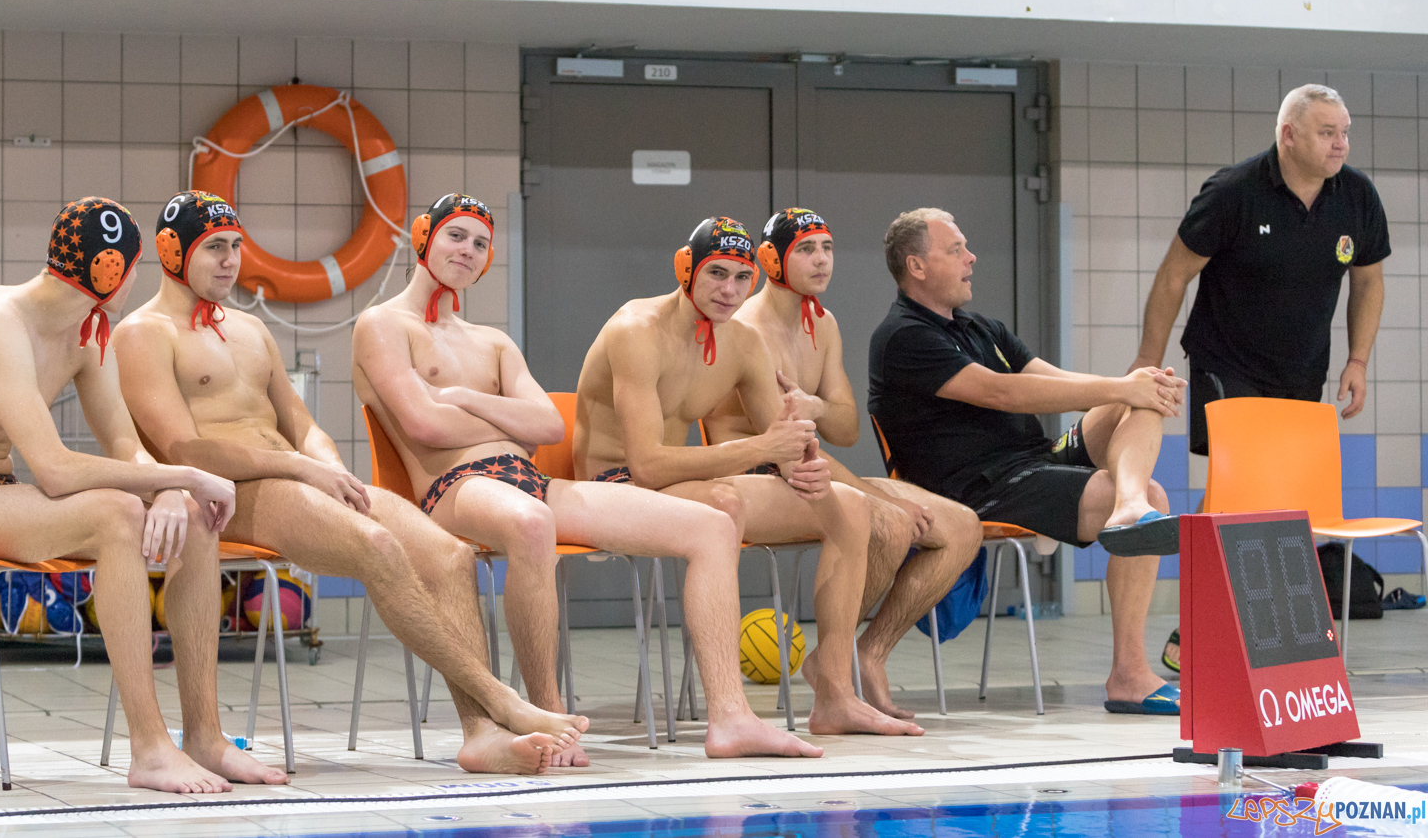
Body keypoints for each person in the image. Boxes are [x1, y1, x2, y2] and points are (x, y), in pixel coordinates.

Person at [112, 191, 587, 776]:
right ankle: (502, 700)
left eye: (236, 246)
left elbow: (301, 425)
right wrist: (299, 468)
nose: (231, 260)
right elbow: (184, 448)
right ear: (172, 251)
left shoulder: (251, 330)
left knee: (450, 556)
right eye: (215, 248)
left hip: (297, 480)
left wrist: (329, 468)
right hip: (228, 493)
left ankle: (481, 734)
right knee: (378, 546)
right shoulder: (144, 332)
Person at [351, 194, 820, 761]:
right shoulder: (382, 324)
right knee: (531, 523)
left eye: (480, 243)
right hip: (454, 486)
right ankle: (547, 711)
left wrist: (462, 397)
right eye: (456, 236)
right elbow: (423, 424)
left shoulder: (493, 341)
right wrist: (503, 417)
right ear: (423, 235)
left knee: (712, 527)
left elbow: (547, 425)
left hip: (531, 480)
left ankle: (732, 718)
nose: (468, 250)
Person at [0, 197, 278, 794]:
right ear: (109, 271)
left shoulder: (85, 332)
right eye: (133, 267)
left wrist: (172, 486)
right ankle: (150, 749)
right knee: (116, 513)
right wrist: (181, 474)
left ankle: (205, 736)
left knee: (194, 516)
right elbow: (54, 470)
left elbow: (124, 444)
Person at [574, 216, 920, 738]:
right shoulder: (636, 331)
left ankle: (835, 696)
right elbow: (646, 464)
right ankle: (728, 710)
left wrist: (811, 469)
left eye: (741, 278)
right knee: (724, 503)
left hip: (682, 483)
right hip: (613, 486)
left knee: (849, 507)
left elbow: (787, 441)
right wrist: (762, 449)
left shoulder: (741, 342)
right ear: (686, 269)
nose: (729, 290)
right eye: (716, 274)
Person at [869, 208, 1187, 715]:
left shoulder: (982, 327)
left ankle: (1128, 503)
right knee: (1155, 490)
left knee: (1143, 395)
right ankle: (1129, 673)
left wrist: (1134, 386)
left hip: (1032, 461)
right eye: (955, 250)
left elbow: (1056, 380)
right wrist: (1120, 386)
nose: (972, 258)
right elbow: (1002, 392)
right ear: (917, 266)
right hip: (979, 487)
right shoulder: (902, 336)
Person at [1132, 84, 1388, 671]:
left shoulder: (1356, 196)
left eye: (1345, 132)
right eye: (1328, 132)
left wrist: (1358, 360)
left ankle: (1233, 628)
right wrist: (1147, 359)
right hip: (1228, 362)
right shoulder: (1234, 192)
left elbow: (1369, 280)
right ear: (1289, 135)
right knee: (1239, 489)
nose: (1341, 144)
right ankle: (1200, 630)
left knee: (1277, 499)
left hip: (1301, 369)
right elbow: (1173, 275)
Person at [702, 208, 983, 721]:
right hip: (759, 471)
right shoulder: (747, 327)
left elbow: (846, 428)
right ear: (772, 260)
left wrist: (815, 406)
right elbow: (789, 451)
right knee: (887, 522)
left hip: (812, 465)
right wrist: (879, 498)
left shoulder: (822, 325)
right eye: (807, 249)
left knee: (963, 526)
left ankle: (865, 653)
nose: (822, 260)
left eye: (828, 248)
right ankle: (835, 677)